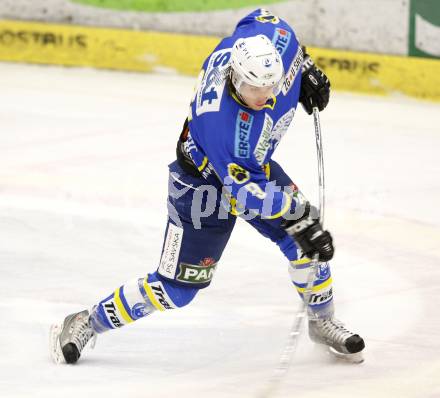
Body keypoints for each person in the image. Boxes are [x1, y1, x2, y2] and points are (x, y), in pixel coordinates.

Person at [50, 9, 365, 365]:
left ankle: (322, 321)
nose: (262, 95)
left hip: (251, 170)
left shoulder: (270, 43)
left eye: (269, 86)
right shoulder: (223, 126)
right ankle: (87, 320)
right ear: (235, 75)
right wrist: (300, 217)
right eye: (252, 87)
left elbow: (262, 15)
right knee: (177, 290)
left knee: (303, 243)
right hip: (201, 187)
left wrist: (303, 63)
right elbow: (248, 196)